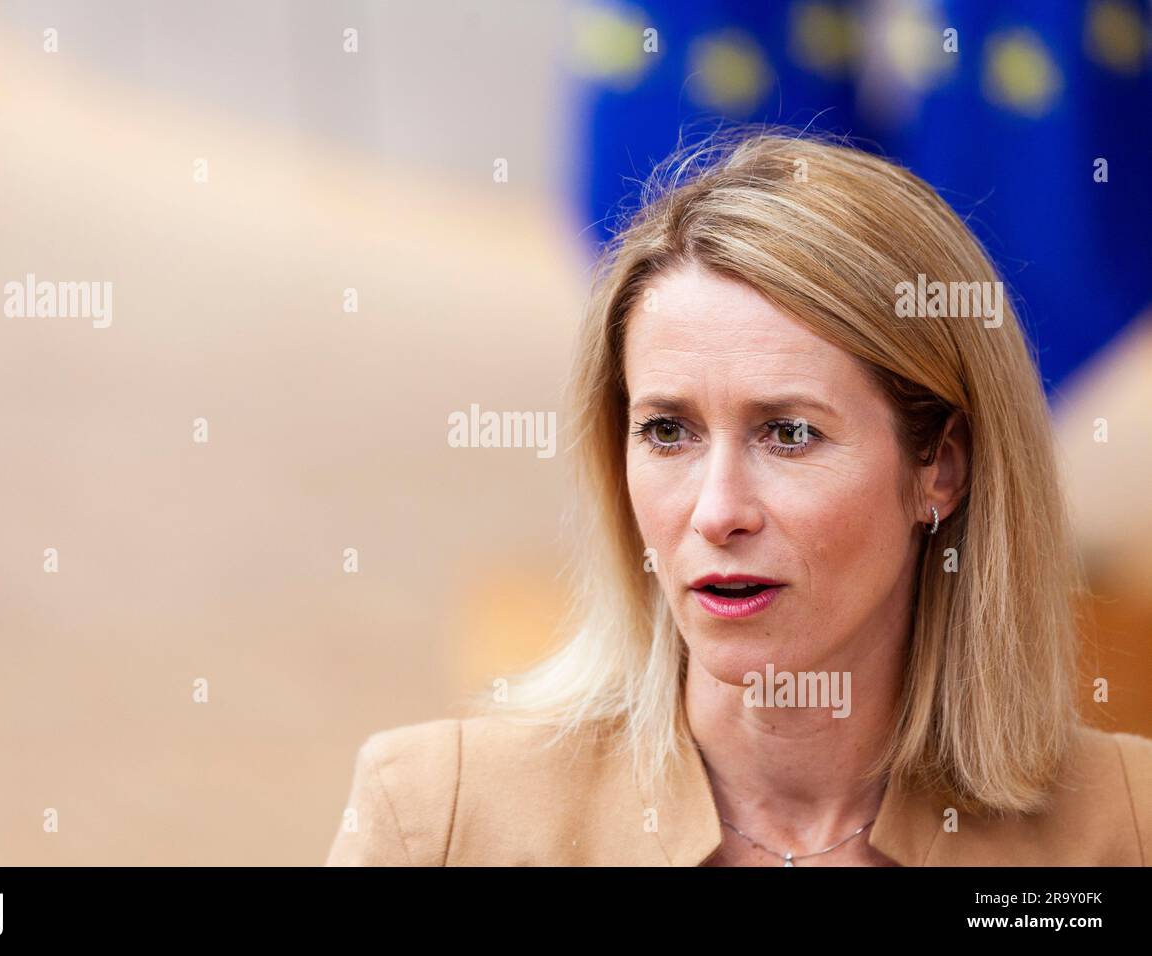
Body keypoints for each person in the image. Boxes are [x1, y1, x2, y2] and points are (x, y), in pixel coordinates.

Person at [326, 129, 1152, 866]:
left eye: (788, 434)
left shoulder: (1126, 829)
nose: (716, 511)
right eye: (667, 432)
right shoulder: (438, 818)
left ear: (939, 468)